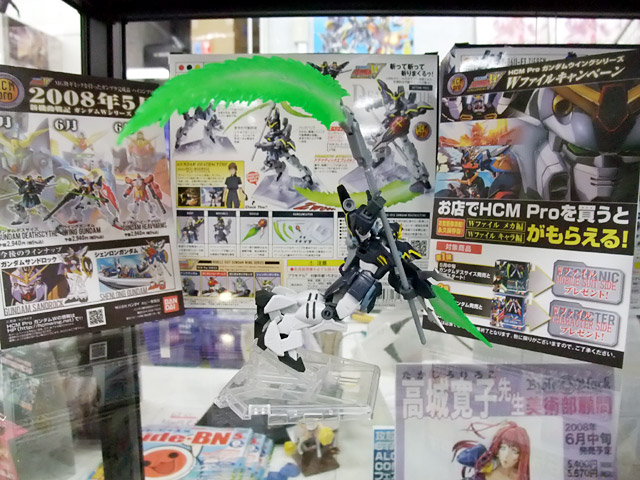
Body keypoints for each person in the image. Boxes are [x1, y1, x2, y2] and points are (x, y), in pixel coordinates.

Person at [452, 422, 530, 480]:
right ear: (497, 449)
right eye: (503, 448)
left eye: (514, 450)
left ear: (521, 455)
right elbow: (462, 458)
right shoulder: (487, 468)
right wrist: (488, 442)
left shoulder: (521, 476)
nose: (506, 455)